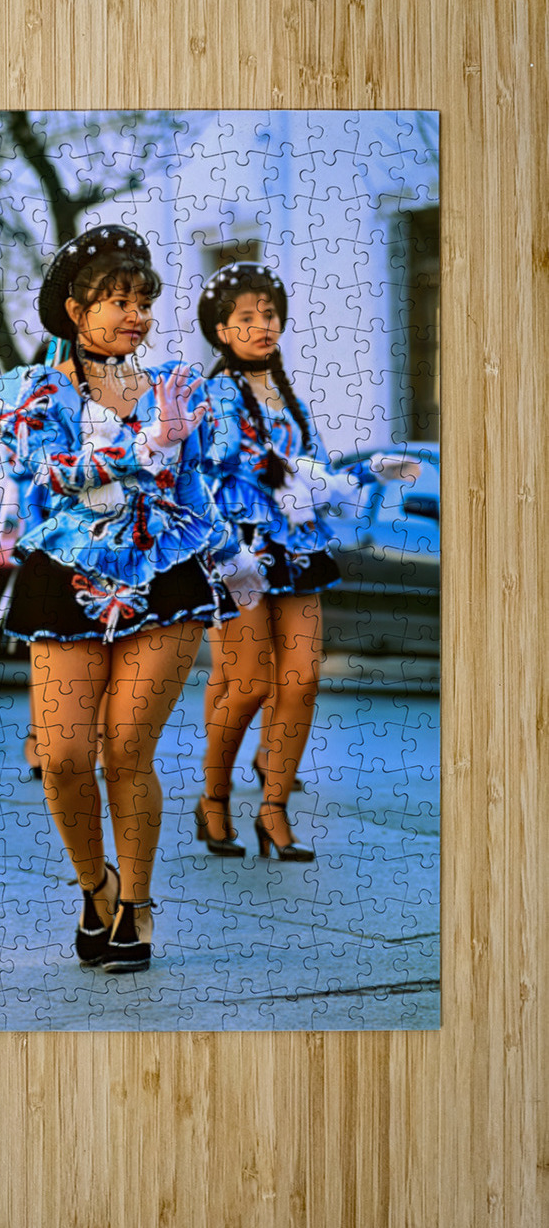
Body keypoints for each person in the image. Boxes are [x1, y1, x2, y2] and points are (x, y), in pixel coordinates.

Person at [0, 225, 235, 971]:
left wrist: (235, 558)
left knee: (127, 749)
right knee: (65, 757)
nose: (135, 313)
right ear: (73, 310)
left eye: (142, 300)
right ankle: (95, 887)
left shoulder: (178, 387)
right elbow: (48, 472)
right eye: (117, 300)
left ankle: (136, 904)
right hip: (63, 580)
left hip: (165, 577)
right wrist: (144, 446)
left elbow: (195, 489)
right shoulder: (26, 389)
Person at [198, 262, 418, 860]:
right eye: (247, 318)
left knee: (303, 679)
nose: (263, 326)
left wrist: (371, 471)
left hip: (297, 548)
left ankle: (273, 810)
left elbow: (317, 471)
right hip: (238, 551)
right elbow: (230, 466)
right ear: (222, 330)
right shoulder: (213, 394)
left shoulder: (289, 393)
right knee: (247, 686)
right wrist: (293, 477)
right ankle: (213, 799)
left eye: (269, 315)